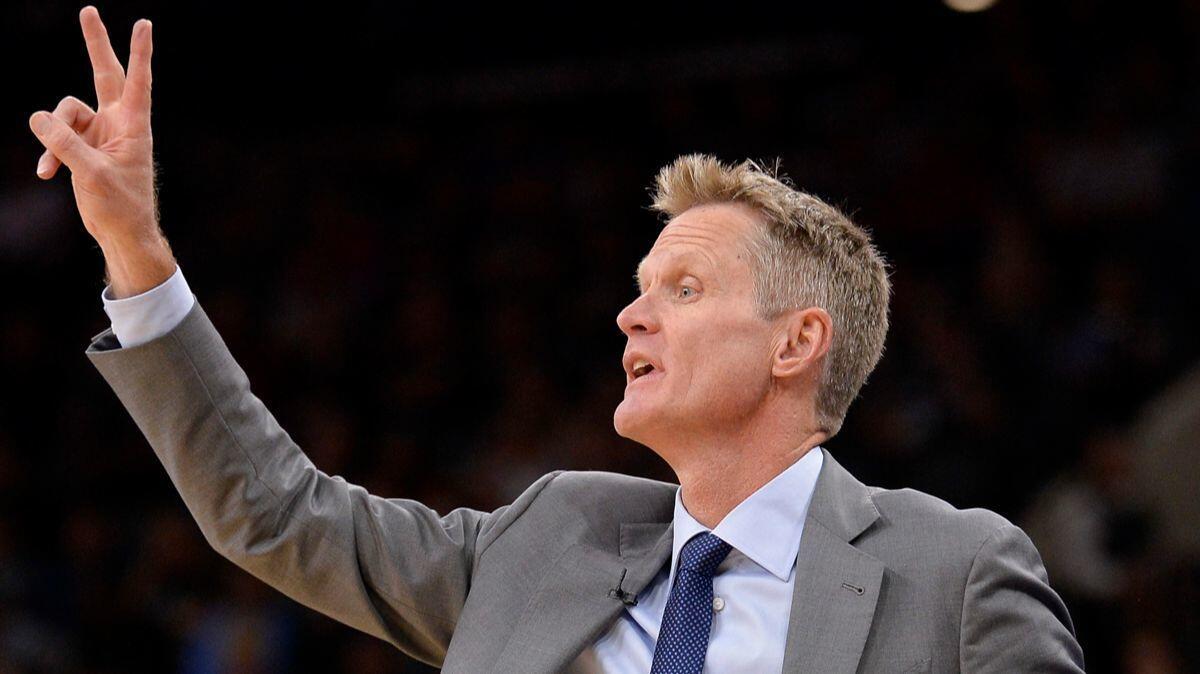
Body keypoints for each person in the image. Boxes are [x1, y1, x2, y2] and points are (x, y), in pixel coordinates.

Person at [29, 7, 1085, 673]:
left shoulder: (954, 571)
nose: (632, 315)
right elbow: (271, 511)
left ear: (796, 342)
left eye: (683, 286)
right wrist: (136, 248)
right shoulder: (551, 536)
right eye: (639, 288)